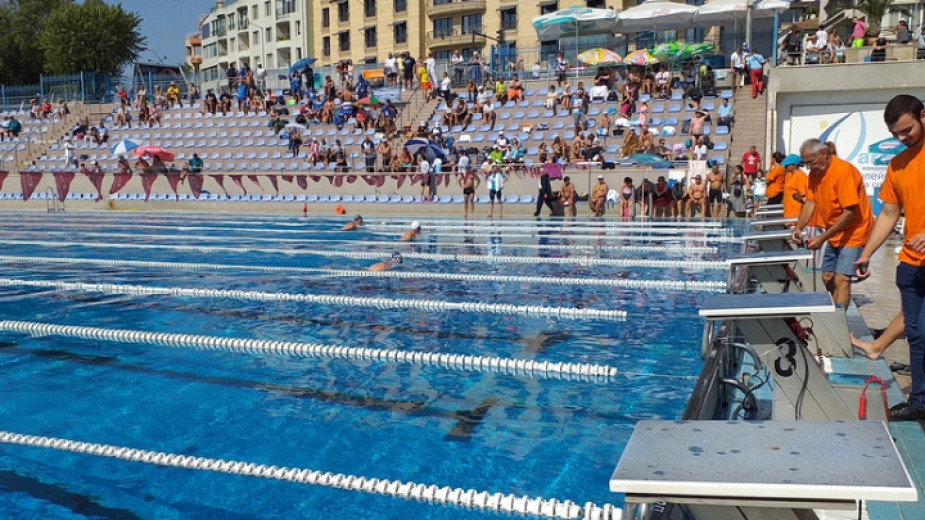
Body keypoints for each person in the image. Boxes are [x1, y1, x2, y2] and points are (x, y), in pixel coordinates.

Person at [853, 95, 925, 420]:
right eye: (896, 133)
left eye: (907, 130)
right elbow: (889, 215)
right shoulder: (897, 165)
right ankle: (920, 403)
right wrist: (866, 253)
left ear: (923, 116)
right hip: (911, 265)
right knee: (917, 336)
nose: (901, 138)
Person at [790, 138, 873, 309]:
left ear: (824, 155)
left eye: (811, 163)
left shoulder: (842, 172)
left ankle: (838, 321)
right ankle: (833, 309)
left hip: (854, 231)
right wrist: (799, 227)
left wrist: (822, 238)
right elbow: (810, 203)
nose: (809, 168)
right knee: (827, 276)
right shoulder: (815, 174)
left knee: (841, 278)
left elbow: (850, 213)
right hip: (835, 232)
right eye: (806, 164)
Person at [781, 153, 808, 219]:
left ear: (795, 165)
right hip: (790, 215)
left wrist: (798, 198)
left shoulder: (800, 176)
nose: (785, 167)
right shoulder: (792, 176)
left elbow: (805, 199)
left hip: (796, 216)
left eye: (787, 165)